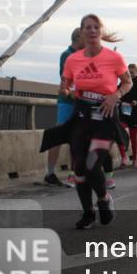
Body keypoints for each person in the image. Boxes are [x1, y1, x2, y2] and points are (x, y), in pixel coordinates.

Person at [58, 14, 131, 229]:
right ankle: (88, 213)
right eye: (87, 27)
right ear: (81, 32)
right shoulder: (73, 60)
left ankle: (102, 199)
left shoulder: (113, 58)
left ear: (100, 31)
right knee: (79, 166)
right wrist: (66, 90)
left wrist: (115, 95)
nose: (91, 31)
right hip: (82, 116)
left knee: (92, 164)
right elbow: (65, 84)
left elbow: (127, 83)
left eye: (95, 27)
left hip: (105, 117)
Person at [43, 27, 83, 186]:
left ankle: (74, 173)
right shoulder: (67, 55)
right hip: (67, 101)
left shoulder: (81, 55)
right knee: (60, 136)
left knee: (77, 137)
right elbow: (66, 78)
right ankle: (51, 173)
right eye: (84, 37)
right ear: (78, 38)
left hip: (78, 101)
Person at [117, 63, 137, 169]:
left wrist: (136, 102)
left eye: (133, 72)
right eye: (129, 72)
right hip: (123, 112)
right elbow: (118, 91)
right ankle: (124, 157)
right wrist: (118, 99)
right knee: (120, 134)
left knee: (133, 138)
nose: (131, 73)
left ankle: (135, 159)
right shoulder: (123, 82)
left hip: (134, 113)